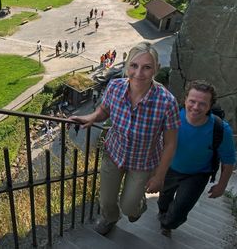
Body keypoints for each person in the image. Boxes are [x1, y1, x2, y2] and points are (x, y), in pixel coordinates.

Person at [70, 41, 180, 235]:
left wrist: (159, 176)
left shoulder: (166, 102)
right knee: (106, 201)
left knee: (130, 208)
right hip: (114, 152)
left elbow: (170, 143)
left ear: (156, 69)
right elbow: (104, 110)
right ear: (127, 65)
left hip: (143, 162)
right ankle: (110, 219)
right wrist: (92, 117)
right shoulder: (115, 87)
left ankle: (138, 205)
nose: (139, 73)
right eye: (134, 66)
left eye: (147, 67)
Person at [157, 80, 236, 237]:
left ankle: (168, 223)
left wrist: (221, 185)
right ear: (185, 99)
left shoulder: (220, 129)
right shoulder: (171, 116)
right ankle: (163, 212)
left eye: (202, 104)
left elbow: (228, 160)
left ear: (210, 106)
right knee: (164, 200)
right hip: (169, 168)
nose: (195, 107)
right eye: (192, 101)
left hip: (197, 174)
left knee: (181, 208)